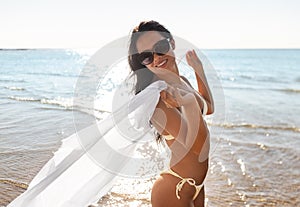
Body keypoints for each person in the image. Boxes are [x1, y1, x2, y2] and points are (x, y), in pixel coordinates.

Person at [128, 20, 214, 207]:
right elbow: (196, 147)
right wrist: (189, 103)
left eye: (160, 47)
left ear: (172, 42)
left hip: (196, 186)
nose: (157, 58)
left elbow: (208, 107)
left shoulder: (181, 81)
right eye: (146, 57)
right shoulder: (158, 99)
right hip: (173, 189)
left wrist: (199, 70)